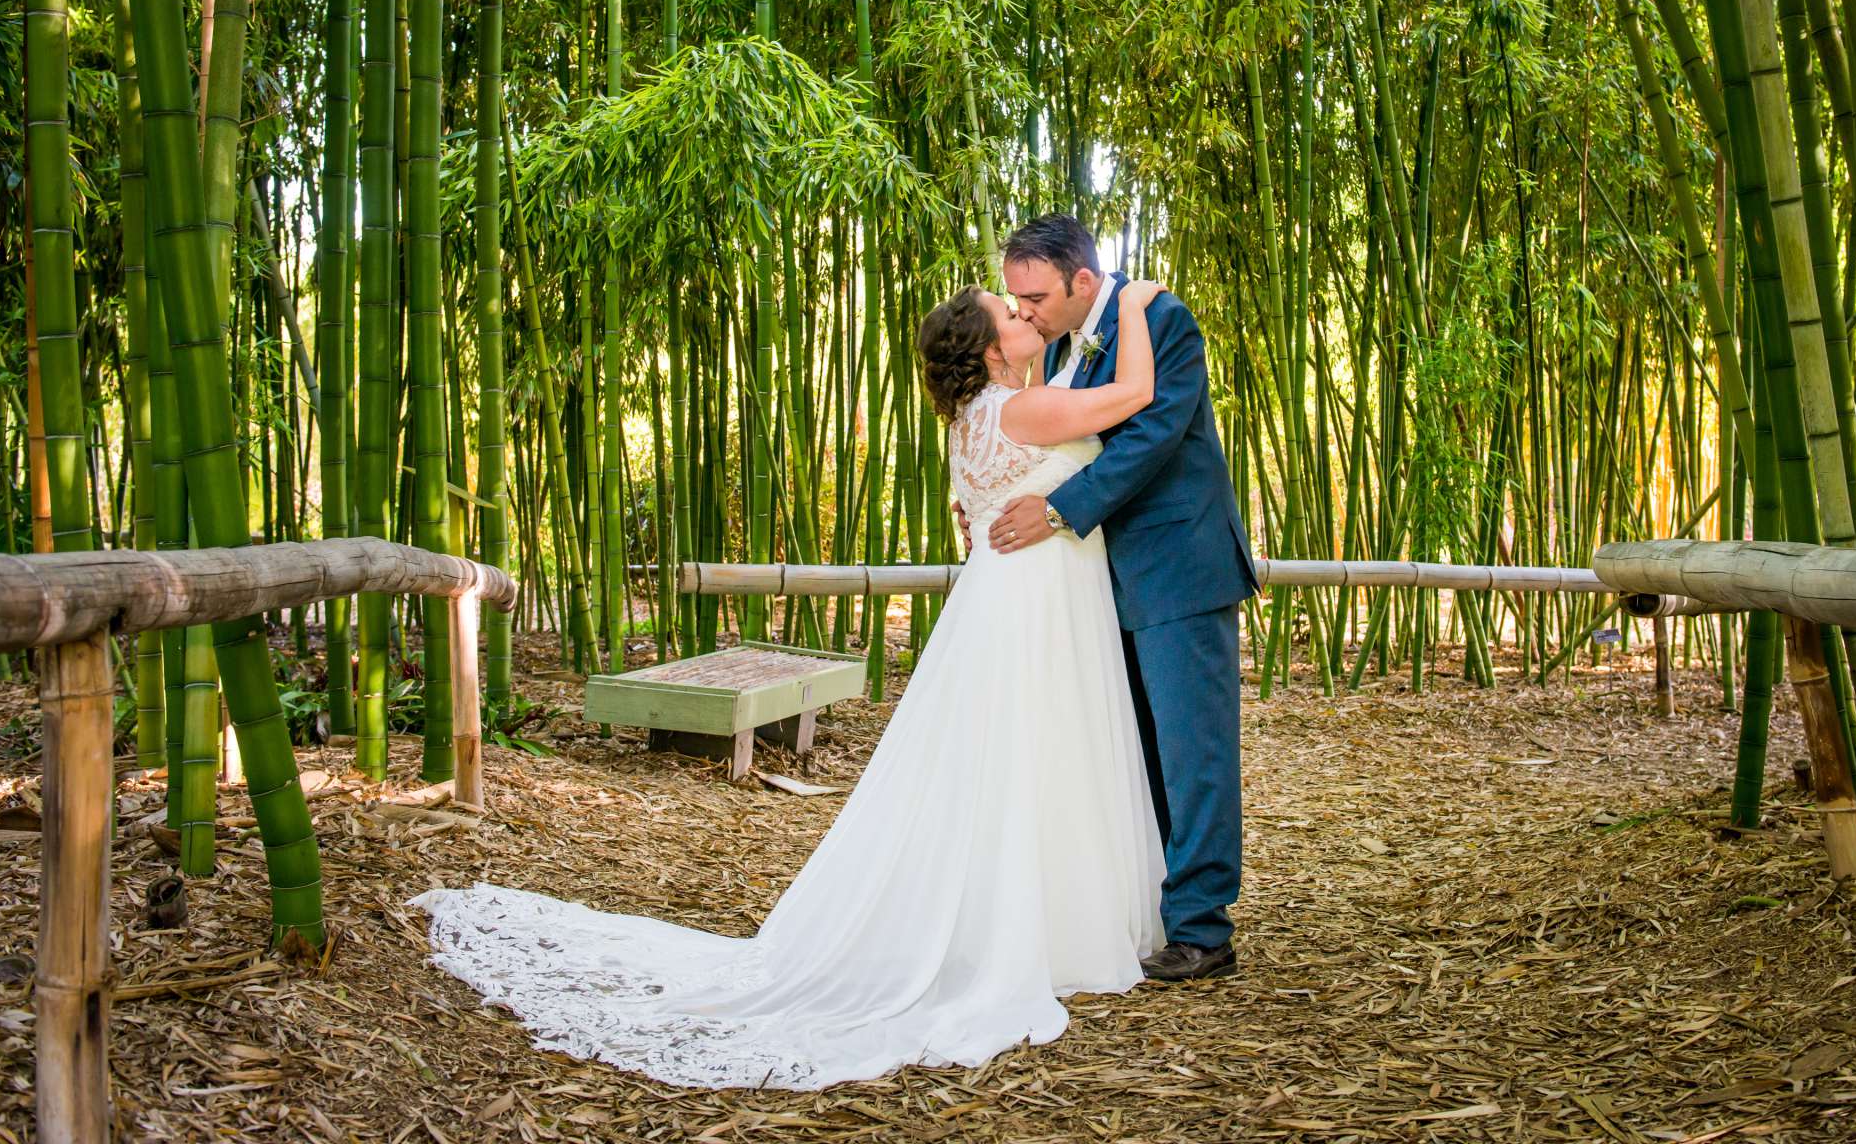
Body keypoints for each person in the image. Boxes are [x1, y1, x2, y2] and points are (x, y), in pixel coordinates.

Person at [413, 273, 1176, 1089]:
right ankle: (1041, 927)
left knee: (1012, 758)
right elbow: (1135, 393)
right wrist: (1132, 306)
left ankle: (1018, 919)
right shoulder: (1020, 408)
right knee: (1040, 751)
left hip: (1014, 595)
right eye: (1009, 312)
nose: (1025, 314)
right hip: (1034, 600)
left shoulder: (974, 418)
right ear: (990, 350)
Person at [989, 213, 1258, 983]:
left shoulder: (1161, 318)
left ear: (1081, 279)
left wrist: (1060, 508)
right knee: (1137, 752)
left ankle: (1204, 927)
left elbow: (1154, 436)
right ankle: (1153, 906)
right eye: (1015, 300)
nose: (1025, 312)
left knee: (1192, 752)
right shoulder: (1066, 347)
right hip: (1101, 577)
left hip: (1179, 563)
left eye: (1034, 296)